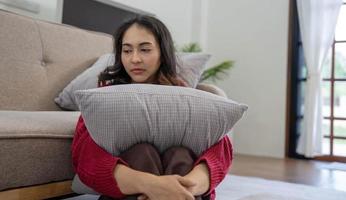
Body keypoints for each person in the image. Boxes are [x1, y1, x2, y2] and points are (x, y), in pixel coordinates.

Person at [71, 15, 233, 200]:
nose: (135, 59)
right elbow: (86, 156)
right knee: (142, 152)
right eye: (127, 50)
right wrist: (150, 185)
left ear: (162, 53)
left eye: (145, 49)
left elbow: (220, 147)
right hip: (129, 188)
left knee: (180, 155)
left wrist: (187, 186)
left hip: (186, 188)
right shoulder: (106, 97)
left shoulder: (184, 95)